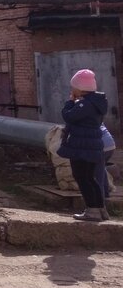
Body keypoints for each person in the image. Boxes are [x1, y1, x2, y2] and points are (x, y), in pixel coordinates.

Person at [59, 69, 110, 221]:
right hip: (92, 145)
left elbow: (69, 116)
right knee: (90, 178)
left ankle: (92, 210)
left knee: (82, 177)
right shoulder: (96, 103)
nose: (72, 89)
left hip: (82, 146)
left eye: (73, 86)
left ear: (80, 88)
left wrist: (70, 102)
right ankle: (100, 209)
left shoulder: (85, 104)